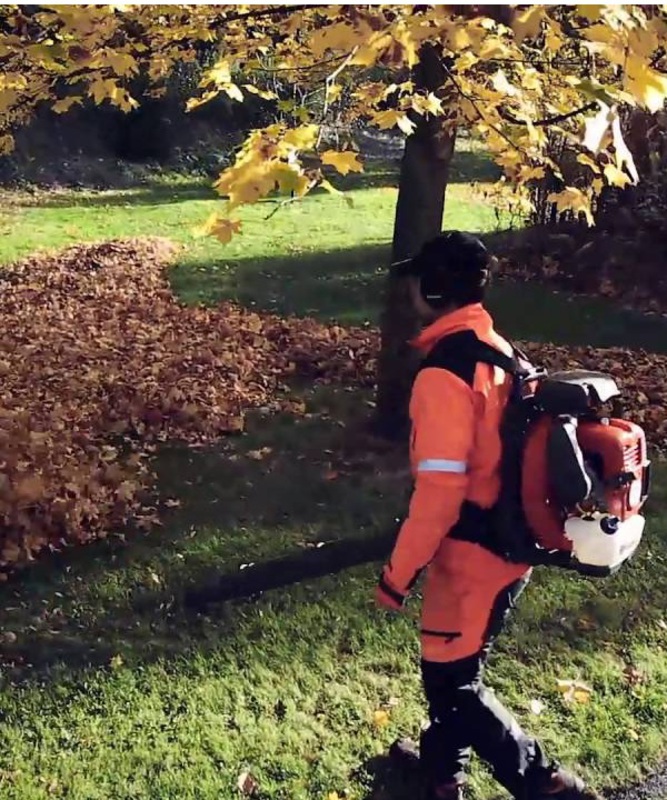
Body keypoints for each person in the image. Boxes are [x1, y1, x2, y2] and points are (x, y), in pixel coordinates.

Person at [374, 231, 601, 800]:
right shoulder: (496, 347)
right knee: (459, 668)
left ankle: (544, 783)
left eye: (417, 282)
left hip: (471, 557)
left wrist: (398, 574)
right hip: (511, 547)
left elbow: (439, 496)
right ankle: (440, 773)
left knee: (452, 682)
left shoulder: (444, 376)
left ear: (430, 288)